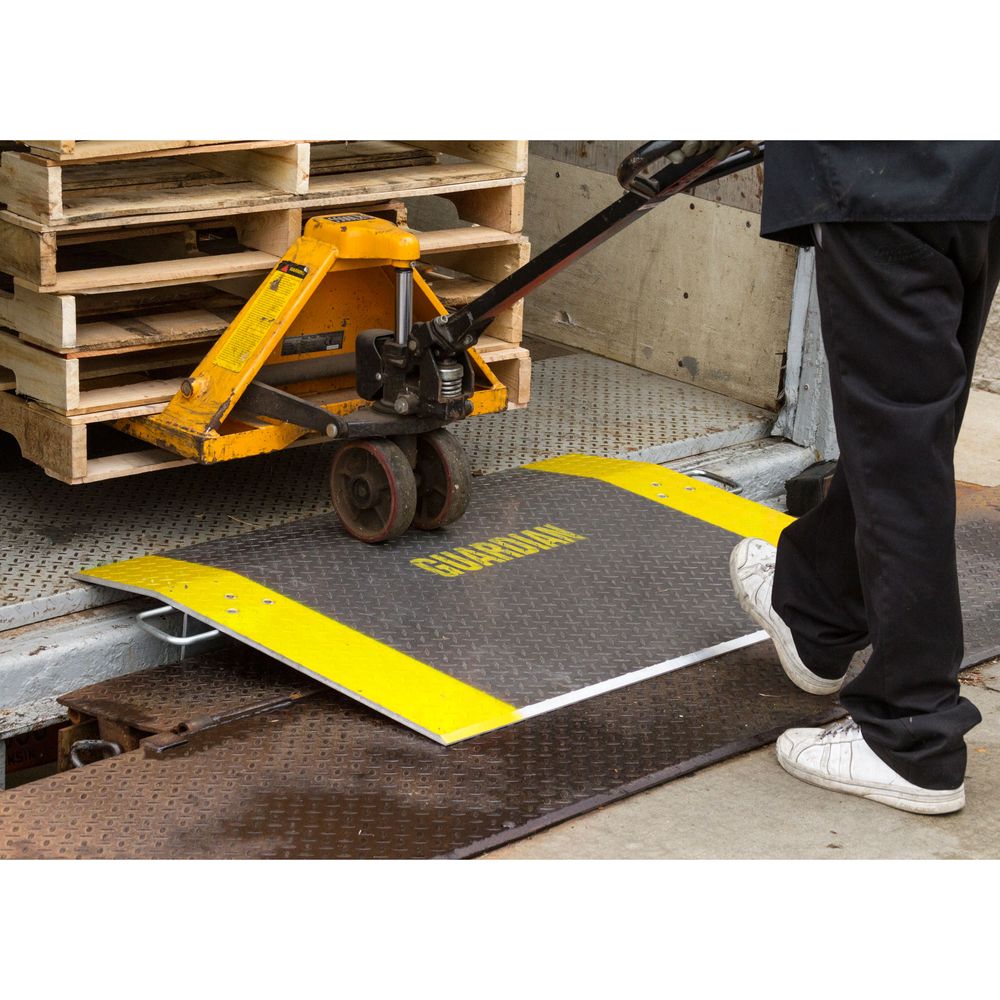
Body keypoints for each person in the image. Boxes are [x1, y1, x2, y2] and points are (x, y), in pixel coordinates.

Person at [729, 141, 1000, 814]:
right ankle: (818, 611)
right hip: (978, 174)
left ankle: (912, 732)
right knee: (908, 430)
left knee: (901, 445)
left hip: (879, 171)